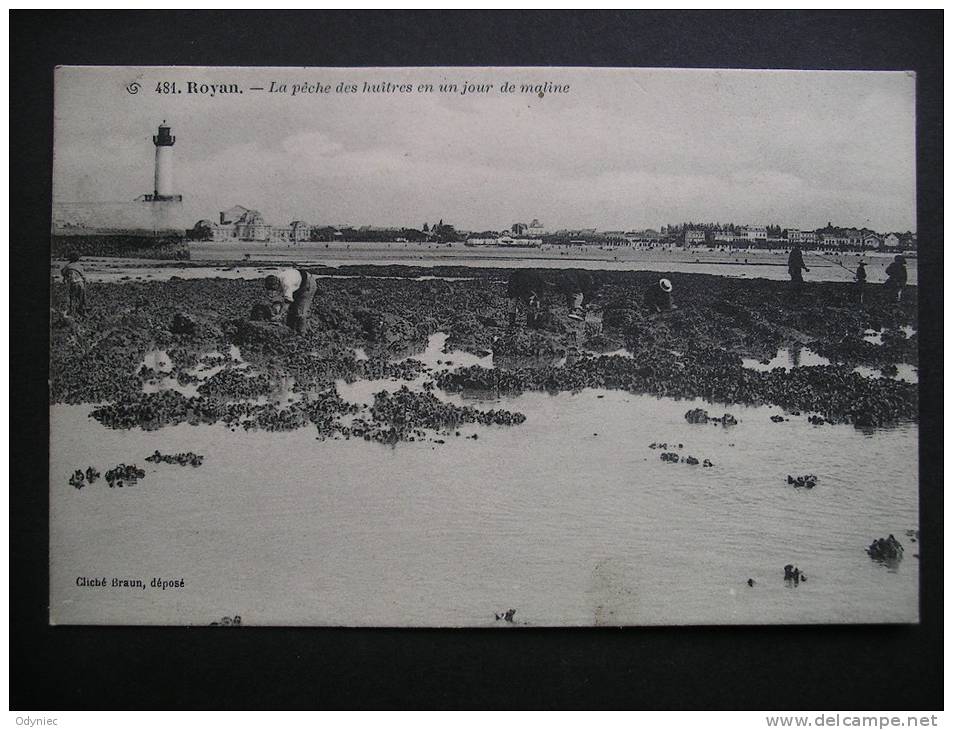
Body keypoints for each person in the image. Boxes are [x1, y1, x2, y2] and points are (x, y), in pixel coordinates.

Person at [263, 268, 318, 334]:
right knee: (291, 310)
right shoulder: (276, 281)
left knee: (300, 311)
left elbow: (287, 302)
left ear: (277, 283)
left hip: (307, 283)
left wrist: (280, 315)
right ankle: (291, 330)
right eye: (270, 290)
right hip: (297, 285)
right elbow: (278, 300)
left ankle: (302, 333)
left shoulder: (286, 283)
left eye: (274, 289)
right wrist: (275, 311)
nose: (272, 291)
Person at [61, 252, 87, 316]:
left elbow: (63, 272)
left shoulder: (68, 266)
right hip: (80, 283)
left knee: (72, 298)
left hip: (73, 283)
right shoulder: (79, 266)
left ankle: (71, 311)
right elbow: (84, 277)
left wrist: (65, 277)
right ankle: (83, 311)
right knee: (82, 298)